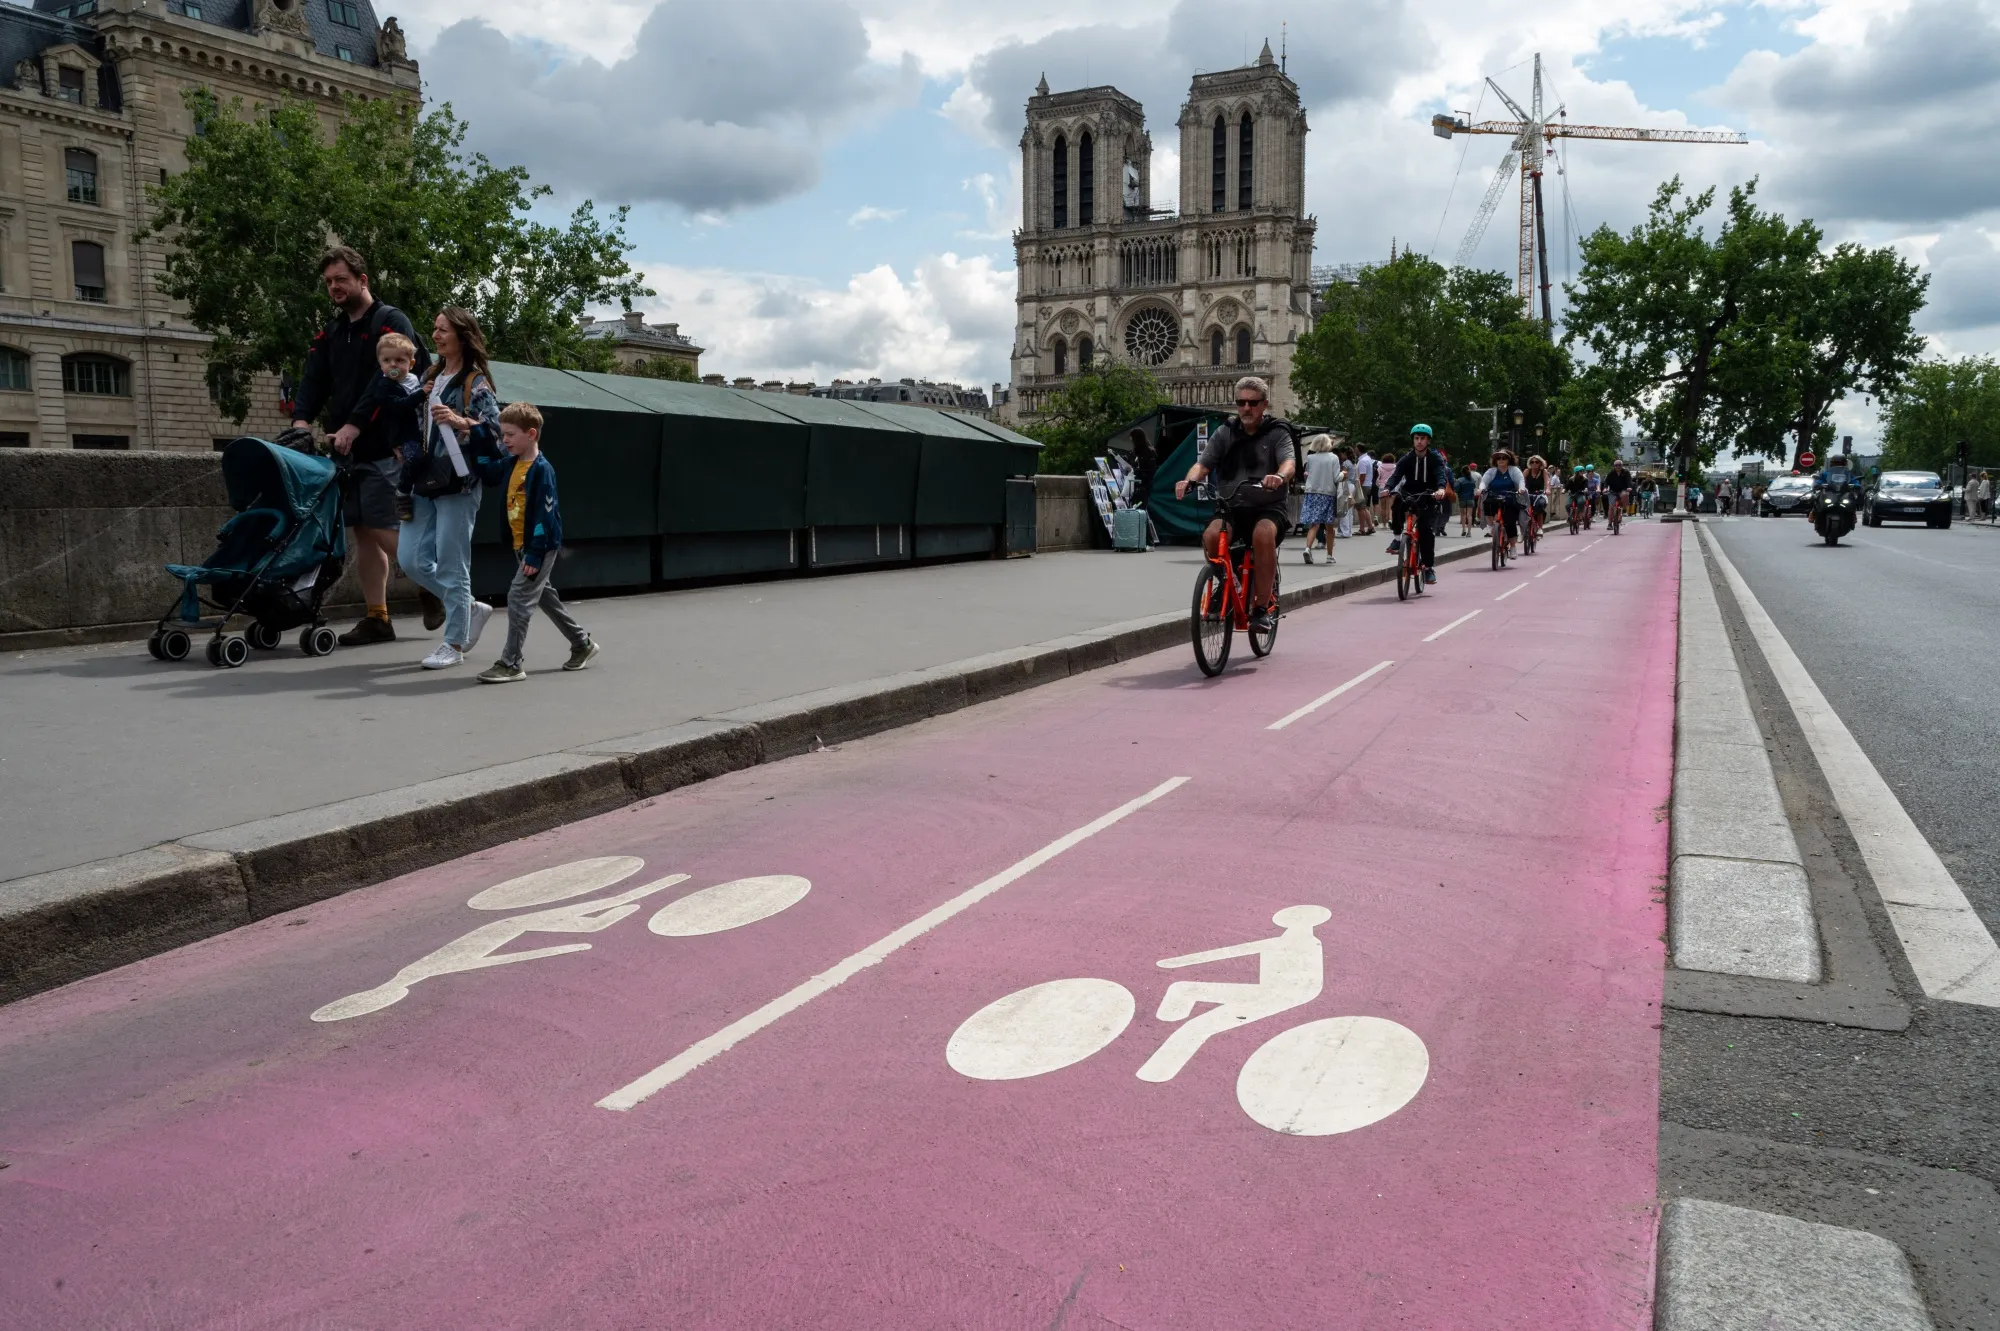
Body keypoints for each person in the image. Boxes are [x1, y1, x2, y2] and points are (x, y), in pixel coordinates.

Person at [291, 245, 428, 645]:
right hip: (347, 446)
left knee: (384, 526)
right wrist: (300, 421)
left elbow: (384, 383)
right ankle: (378, 617)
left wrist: (353, 424)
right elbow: (313, 380)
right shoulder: (331, 332)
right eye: (329, 282)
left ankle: (439, 587)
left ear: (362, 280)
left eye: (341, 280)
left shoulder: (390, 322)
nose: (334, 287)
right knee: (364, 532)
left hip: (384, 444)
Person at [399, 307, 502, 670]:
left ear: (462, 335)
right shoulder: (430, 374)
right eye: (435, 329)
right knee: (410, 558)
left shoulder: (476, 383)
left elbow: (495, 432)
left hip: (458, 480)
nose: (436, 335)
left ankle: (454, 643)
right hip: (424, 477)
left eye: (443, 330)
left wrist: (461, 421)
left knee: (451, 560)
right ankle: (469, 606)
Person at [473, 402, 599, 683]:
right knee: (545, 596)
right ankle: (582, 643)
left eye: (509, 434)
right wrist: (480, 435)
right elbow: (488, 473)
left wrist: (534, 553)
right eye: (502, 434)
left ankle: (511, 663)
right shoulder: (511, 462)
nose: (504, 440)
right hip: (522, 546)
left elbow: (546, 514)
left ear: (531, 434)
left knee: (518, 597)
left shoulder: (542, 470)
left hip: (537, 548)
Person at [1175, 375, 1298, 633]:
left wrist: (1279, 476)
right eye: (1240, 402)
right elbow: (1203, 464)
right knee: (1211, 536)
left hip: (1268, 507)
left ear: (1264, 404)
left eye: (1252, 403)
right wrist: (1189, 480)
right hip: (1232, 505)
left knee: (1262, 535)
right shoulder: (1225, 432)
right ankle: (1223, 583)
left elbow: (1289, 463)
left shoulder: (1278, 432)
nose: (1245, 408)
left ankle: (1261, 609)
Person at [1383, 424, 1453, 584]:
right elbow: (1396, 475)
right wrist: (1387, 488)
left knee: (1426, 530)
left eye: (1422, 438)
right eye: (1416, 438)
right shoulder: (1407, 458)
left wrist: (1441, 489)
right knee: (1397, 501)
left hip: (1429, 495)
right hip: (1409, 492)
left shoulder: (1435, 458)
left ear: (1428, 441)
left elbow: (1440, 475)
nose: (1419, 442)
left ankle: (1428, 568)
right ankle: (1396, 538)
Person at [1299, 433, 1339, 565]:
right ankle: (1329, 555)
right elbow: (1336, 478)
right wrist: (1344, 474)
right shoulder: (1333, 458)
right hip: (1327, 493)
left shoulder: (1310, 458)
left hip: (1312, 493)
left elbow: (1308, 474)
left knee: (1314, 524)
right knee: (1329, 527)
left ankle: (1307, 548)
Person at [1479, 448, 1526, 550]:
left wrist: (1521, 489)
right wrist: (1481, 489)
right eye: (1498, 458)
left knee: (1510, 523)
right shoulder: (1491, 471)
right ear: (1495, 460)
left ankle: (1513, 547)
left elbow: (1521, 480)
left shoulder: (1514, 470)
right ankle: (1491, 526)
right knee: (1486, 502)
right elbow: (1484, 482)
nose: (1501, 459)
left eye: (1504, 458)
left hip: (1509, 497)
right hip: (1494, 496)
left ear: (1508, 460)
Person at [1352, 447, 1376, 535]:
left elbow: (1362, 475)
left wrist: (1359, 486)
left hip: (1363, 485)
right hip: (1367, 485)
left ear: (1358, 449)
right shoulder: (1368, 459)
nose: (1354, 451)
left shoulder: (1362, 461)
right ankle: (1370, 526)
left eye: (1356, 449)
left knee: (1360, 508)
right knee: (1364, 507)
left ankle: (1362, 528)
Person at [1455, 464, 1478, 536]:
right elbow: (1474, 487)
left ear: (1462, 472)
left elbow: (1456, 489)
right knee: (1470, 515)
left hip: (1462, 499)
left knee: (1463, 515)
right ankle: (1469, 532)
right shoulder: (1472, 480)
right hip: (1471, 499)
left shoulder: (1460, 480)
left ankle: (1463, 530)